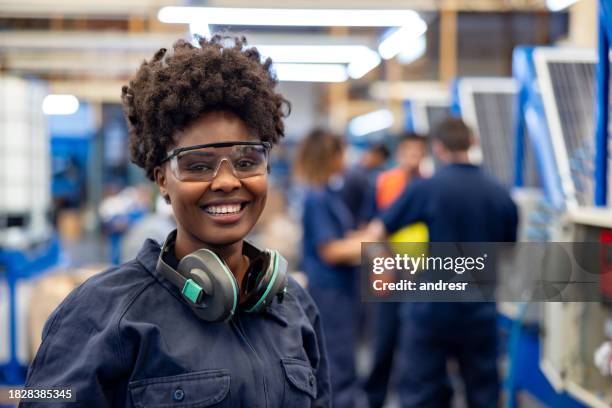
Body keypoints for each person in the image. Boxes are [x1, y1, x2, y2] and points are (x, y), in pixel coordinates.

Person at [22, 35, 330, 407]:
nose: (228, 181)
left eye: (247, 161)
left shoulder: (294, 306)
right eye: (197, 165)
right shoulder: (98, 314)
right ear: (162, 180)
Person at [369, 118, 518, 408]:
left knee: (423, 393)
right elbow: (508, 250)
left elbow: (378, 231)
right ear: (472, 143)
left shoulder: (427, 188)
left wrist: (386, 267)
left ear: (437, 148)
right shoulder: (500, 193)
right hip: (478, 308)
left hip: (431, 308)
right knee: (483, 392)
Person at [295, 129, 374, 408]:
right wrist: (374, 243)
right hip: (330, 295)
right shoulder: (317, 198)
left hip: (339, 292)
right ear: (330, 156)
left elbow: (340, 239)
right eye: (342, 151)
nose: (347, 157)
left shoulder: (328, 194)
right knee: (338, 367)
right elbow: (330, 250)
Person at [364, 132, 428, 408]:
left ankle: (409, 398)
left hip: (422, 271)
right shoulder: (385, 183)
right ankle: (374, 398)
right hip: (391, 268)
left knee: (415, 341)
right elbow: (372, 226)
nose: (413, 158)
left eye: (418, 152)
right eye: (409, 152)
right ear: (400, 153)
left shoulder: (430, 185)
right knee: (385, 338)